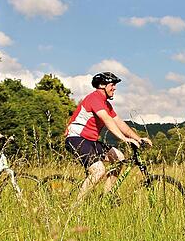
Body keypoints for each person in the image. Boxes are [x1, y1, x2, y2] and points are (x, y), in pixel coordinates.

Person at [65, 72, 152, 201]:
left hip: (91, 141)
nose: (114, 88)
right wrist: (125, 139)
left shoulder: (106, 104)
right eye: (112, 85)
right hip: (76, 138)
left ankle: (107, 197)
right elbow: (107, 120)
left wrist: (138, 138)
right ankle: (76, 208)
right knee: (98, 170)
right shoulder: (94, 98)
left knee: (120, 158)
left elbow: (119, 123)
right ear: (102, 85)